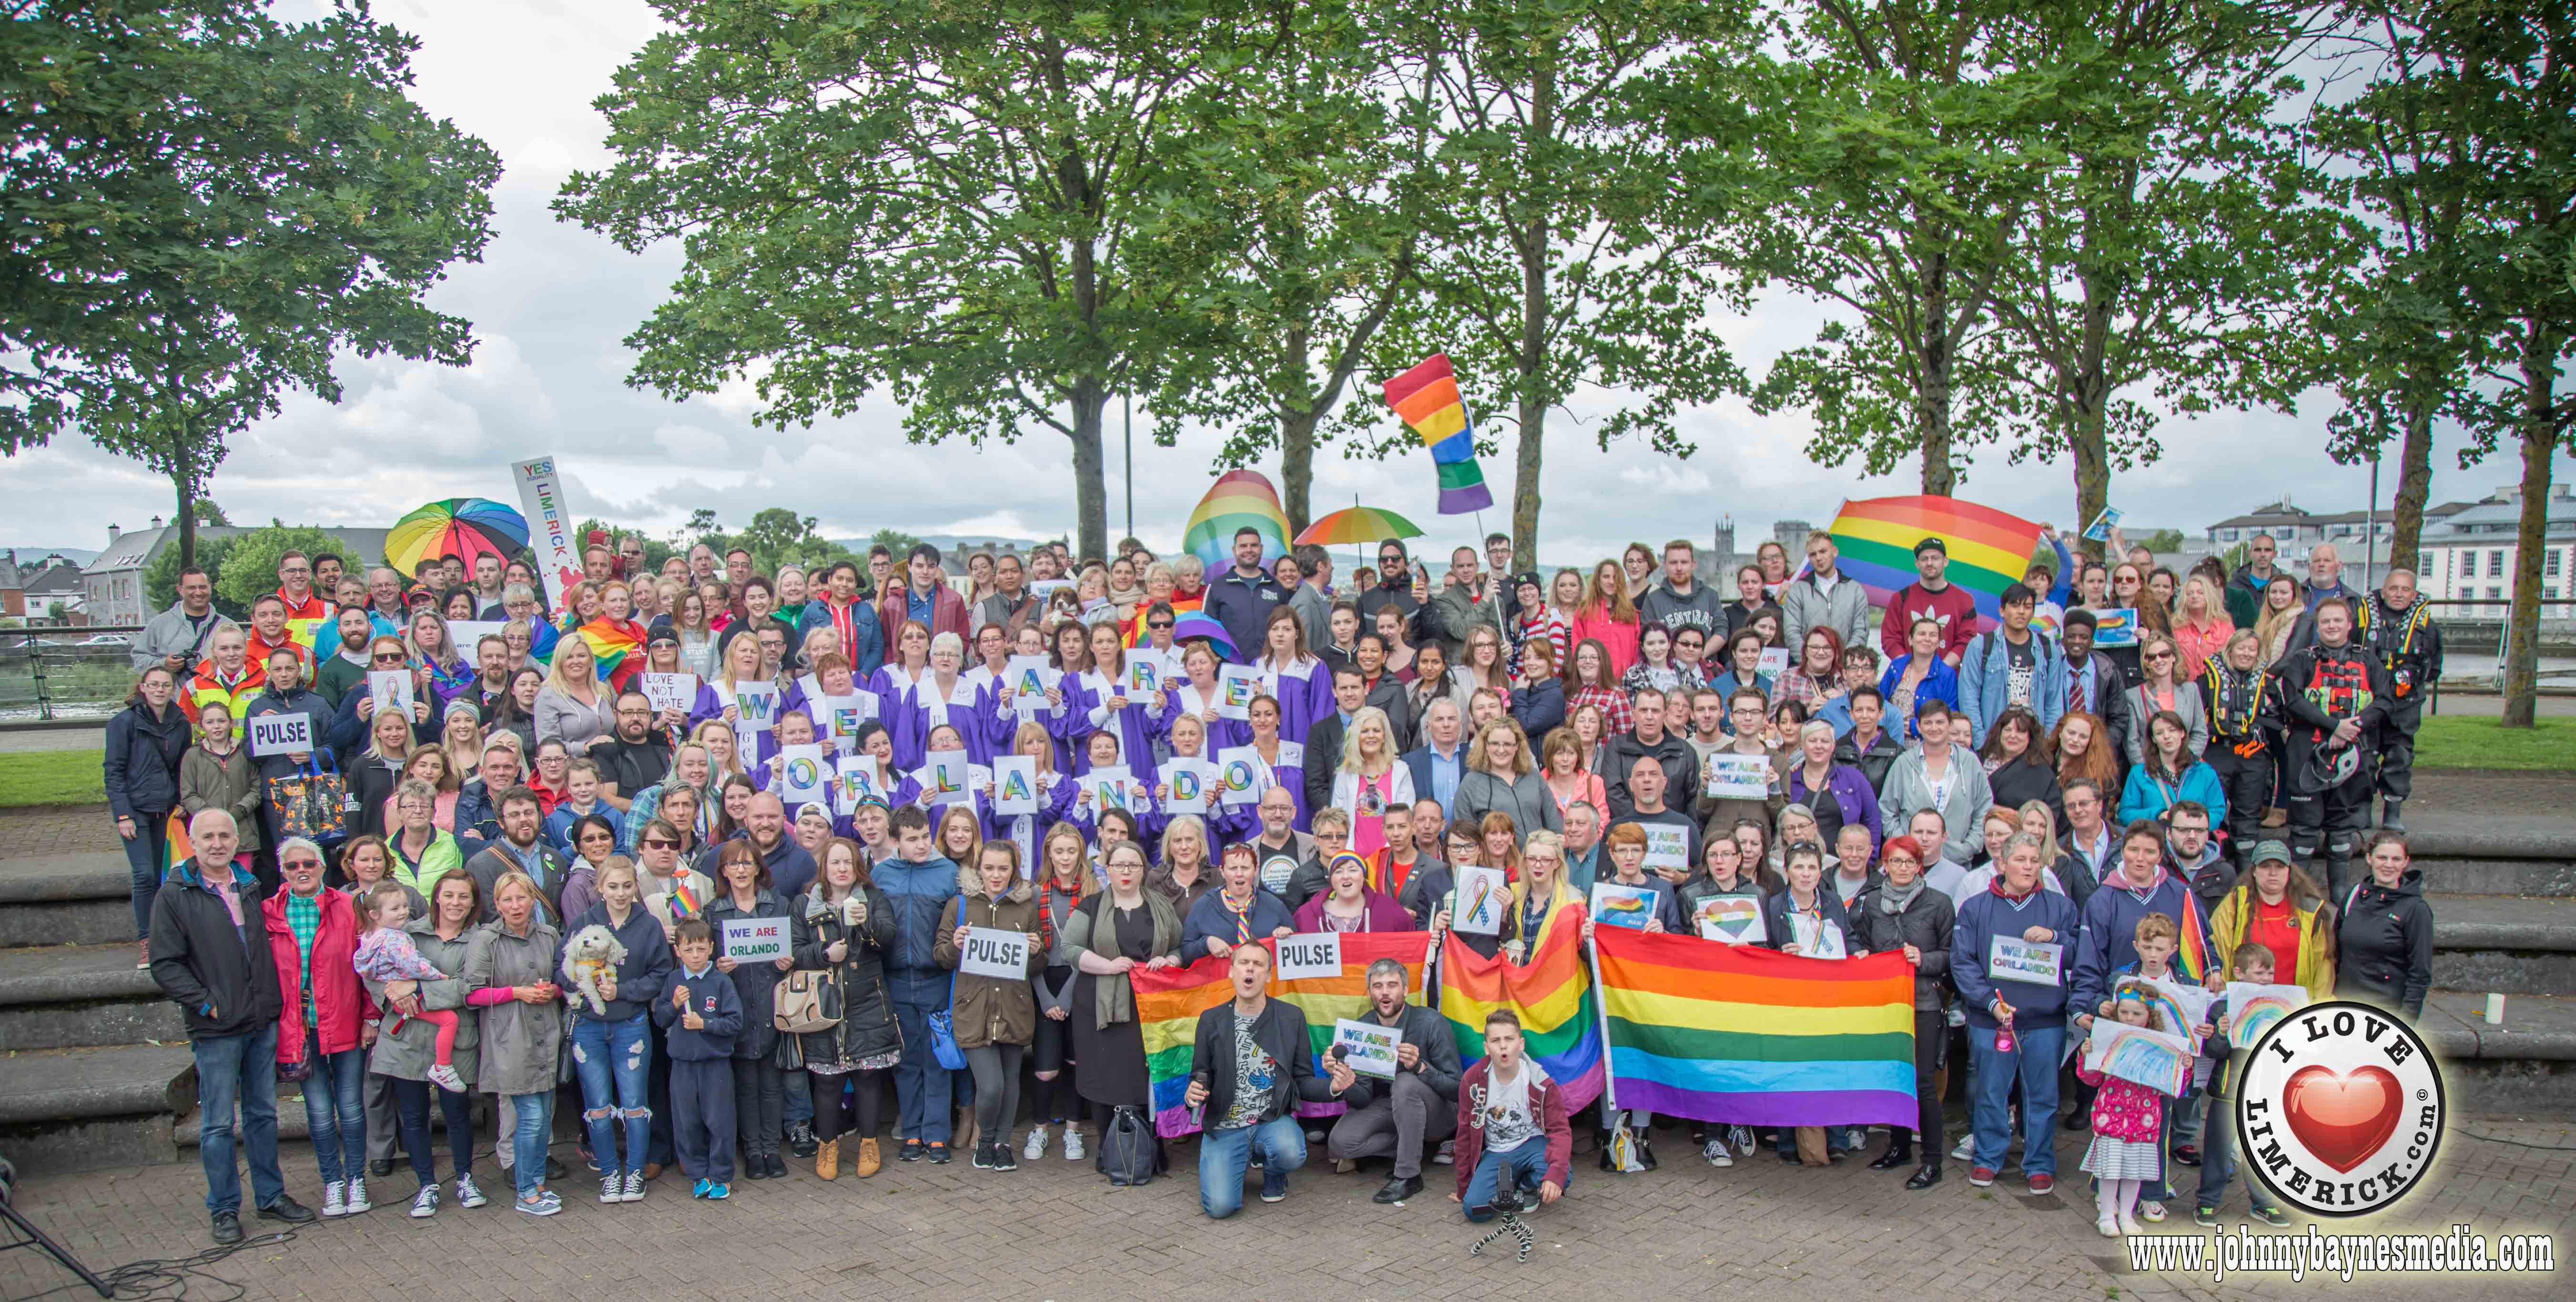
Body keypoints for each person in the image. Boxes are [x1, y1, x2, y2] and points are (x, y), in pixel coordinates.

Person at [150, 808, 319, 1243]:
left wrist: (271, 1002)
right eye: (208, 836)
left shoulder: (249, 884)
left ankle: (270, 1195)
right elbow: (166, 964)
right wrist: (207, 1005)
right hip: (216, 1027)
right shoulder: (175, 894)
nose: (218, 843)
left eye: (225, 835)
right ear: (193, 840)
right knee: (219, 1124)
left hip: (260, 1020)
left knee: (263, 1114)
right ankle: (224, 1208)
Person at [1185, 944, 1368, 1218]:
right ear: (1231, 972)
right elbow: (1200, 1075)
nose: (1250, 969)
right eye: (1244, 963)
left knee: (1290, 1152)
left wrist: (1334, 1087)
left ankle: (1274, 1172)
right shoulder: (1211, 1020)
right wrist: (1192, 1097)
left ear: (1268, 976)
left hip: (1270, 1120)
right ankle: (1239, 1157)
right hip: (1225, 1125)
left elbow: (1303, 1080)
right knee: (1220, 1209)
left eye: (1258, 965)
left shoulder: (1290, 1018)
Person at [1949, 831, 2079, 1192]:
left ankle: (2039, 1162)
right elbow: (1963, 963)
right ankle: (1989, 1157)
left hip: (2044, 1022)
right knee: (1991, 1093)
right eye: (2020, 859)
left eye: (2034, 860)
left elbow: (2080, 954)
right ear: (2002, 862)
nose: (2028, 866)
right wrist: (1991, 1004)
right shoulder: (1975, 908)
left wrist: (2055, 939)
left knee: (2042, 1096)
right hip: (1993, 1021)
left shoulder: (2060, 907)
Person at [1055, 840, 1182, 1177]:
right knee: (1104, 1079)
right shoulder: (1091, 906)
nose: (1126, 872)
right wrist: (1107, 965)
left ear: (1143, 870)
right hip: (1100, 1008)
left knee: (1145, 1076)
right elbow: (1069, 949)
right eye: (1119, 865)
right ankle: (1109, 1147)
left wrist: (1169, 958)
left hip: (1149, 1008)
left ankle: (1147, 1148)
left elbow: (1182, 946)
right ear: (1107, 870)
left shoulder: (1162, 906)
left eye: (1133, 865)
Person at [262, 840, 372, 1217]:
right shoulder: (269, 913)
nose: (301, 870)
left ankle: (356, 1177)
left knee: (352, 1106)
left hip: (344, 1018)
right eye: (293, 866)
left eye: (309, 863)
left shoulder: (347, 907)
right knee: (320, 1111)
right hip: (300, 1028)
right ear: (284, 871)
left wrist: (370, 1016)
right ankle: (332, 1181)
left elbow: (367, 966)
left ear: (323, 866)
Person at [1850, 835, 1954, 1189]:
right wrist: (1860, 954)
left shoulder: (1939, 903)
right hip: (1885, 1002)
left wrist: (1924, 959)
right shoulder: (1872, 903)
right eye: (1897, 861)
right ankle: (1899, 1146)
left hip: (1923, 1002)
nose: (1904, 868)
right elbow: (1857, 939)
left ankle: (1933, 1160)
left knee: (1923, 1083)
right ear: (1885, 865)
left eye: (1911, 862)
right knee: (1894, 1077)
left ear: (1920, 866)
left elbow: (1952, 954)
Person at [792, 837, 900, 1179]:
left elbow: (888, 938)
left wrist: (865, 922)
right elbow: (794, 952)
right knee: (826, 1082)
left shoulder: (873, 898)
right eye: (835, 862)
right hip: (822, 1007)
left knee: (868, 1077)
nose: (841, 868)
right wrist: (825, 953)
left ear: (858, 867)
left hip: (867, 1002)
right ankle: (828, 1146)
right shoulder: (803, 904)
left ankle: (870, 1144)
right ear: (824, 867)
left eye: (847, 862)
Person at [934, 841, 1045, 1171]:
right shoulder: (960, 905)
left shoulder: (1025, 908)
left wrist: (1037, 951)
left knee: (1011, 1082)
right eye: (990, 868)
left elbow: (1036, 966)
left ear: (1013, 870)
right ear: (978, 869)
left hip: (1014, 1007)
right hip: (974, 1009)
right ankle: (985, 1139)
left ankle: (1003, 1143)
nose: (996, 875)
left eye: (1003, 868)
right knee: (992, 1084)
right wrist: (954, 945)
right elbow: (940, 955)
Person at [1321, 956, 1461, 1204]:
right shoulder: (1363, 1028)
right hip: (1390, 1106)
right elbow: (1363, 1098)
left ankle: (1409, 1175)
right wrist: (1346, 1082)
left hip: (1437, 1113)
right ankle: (1412, 1147)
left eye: (1392, 985)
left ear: (1406, 990)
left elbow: (1457, 1090)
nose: (1385, 992)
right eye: (1378, 986)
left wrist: (1420, 1067)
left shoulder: (1431, 1022)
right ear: (1370, 992)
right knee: (1340, 1143)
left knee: (1405, 1082)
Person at [2274, 598, 2388, 895]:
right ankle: (2300, 897)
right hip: (2307, 756)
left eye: (2338, 621)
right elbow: (2293, 700)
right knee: (2304, 834)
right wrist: (2332, 726)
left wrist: (2352, 727)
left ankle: (2339, 897)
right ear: (2317, 626)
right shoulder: (2302, 660)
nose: (2332, 626)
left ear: (2350, 625)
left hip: (2353, 753)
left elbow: (2385, 701)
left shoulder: (2369, 661)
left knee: (2341, 833)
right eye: (2326, 621)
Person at [870, 805, 963, 1161]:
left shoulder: (948, 872)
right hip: (895, 979)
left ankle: (937, 1132)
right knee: (906, 1060)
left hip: (935, 977)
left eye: (925, 836)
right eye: (912, 839)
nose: (922, 844)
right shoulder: (881, 874)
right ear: (895, 841)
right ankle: (912, 1132)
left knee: (938, 1057)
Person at [2191, 943, 2294, 1228]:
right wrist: (2222, 1032)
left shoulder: (2280, 1003)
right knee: (2218, 1149)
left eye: (2270, 973)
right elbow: (2213, 1051)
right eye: (2260, 973)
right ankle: (2207, 1202)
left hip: (2264, 1090)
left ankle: (2264, 1204)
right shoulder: (2222, 1006)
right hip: (2229, 1090)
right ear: (2238, 972)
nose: (2266, 979)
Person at [107, 666, 193, 966]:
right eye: (154, 685)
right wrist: (123, 814)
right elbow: (114, 771)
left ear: (173, 689)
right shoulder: (124, 722)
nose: (160, 690)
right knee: (144, 875)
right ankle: (147, 940)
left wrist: (182, 800)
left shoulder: (180, 723)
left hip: (166, 810)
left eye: (165, 685)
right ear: (143, 688)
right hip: (135, 810)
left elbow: (183, 765)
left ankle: (167, 936)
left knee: (165, 875)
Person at [1451, 1008, 1570, 1221]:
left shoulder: (1541, 1082)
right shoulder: (1472, 1081)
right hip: (1497, 1151)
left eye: (1509, 1039)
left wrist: (1556, 1174)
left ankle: (1525, 1185)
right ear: (1487, 1048)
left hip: (1532, 1143)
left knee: (1562, 1176)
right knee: (1475, 1210)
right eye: (1496, 1040)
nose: (1503, 1046)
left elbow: (1560, 1131)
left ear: (1521, 1044)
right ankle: (1509, 1186)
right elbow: (1464, 1135)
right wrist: (1463, 1188)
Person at [2077, 984, 2176, 1236]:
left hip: (2144, 1120)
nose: (2129, 1018)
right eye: (2124, 1012)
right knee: (2110, 1171)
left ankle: (2127, 1217)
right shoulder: (2107, 1039)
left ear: (2150, 1016)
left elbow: (2170, 1088)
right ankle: (2107, 1215)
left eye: (2137, 1014)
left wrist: (2181, 1067)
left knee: (2135, 1172)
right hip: (2111, 1116)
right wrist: (2086, 1056)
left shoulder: (2159, 1045)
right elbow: (2091, 1079)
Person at [658, 917, 744, 1199]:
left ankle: (721, 1175)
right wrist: (674, 1005)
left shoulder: (721, 982)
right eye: (688, 950)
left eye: (700, 949)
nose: (695, 956)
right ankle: (698, 1174)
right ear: (678, 952)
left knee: (719, 1121)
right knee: (687, 1122)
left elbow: (734, 1023)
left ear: (710, 949)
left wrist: (704, 1024)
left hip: (715, 1065)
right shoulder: (673, 980)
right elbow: (660, 1019)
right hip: (682, 1065)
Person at [2352, 569, 2439, 831]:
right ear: (2384, 590)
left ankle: (2393, 811)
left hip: (2405, 702)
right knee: (2364, 755)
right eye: (2394, 589)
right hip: (2369, 699)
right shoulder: (2361, 621)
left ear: (2414, 594)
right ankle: (2361, 810)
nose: (2399, 594)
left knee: (2399, 755)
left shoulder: (2427, 627)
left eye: (2405, 590)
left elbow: (2434, 666)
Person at [2334, 830, 2432, 1019]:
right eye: (2382, 858)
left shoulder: (2416, 909)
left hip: (2386, 1012)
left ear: (2406, 862)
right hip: (2344, 1006)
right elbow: (2337, 951)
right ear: (2369, 859)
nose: (2389, 865)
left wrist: (2407, 1023)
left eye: (2396, 859)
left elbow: (2420, 974)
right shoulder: (2353, 895)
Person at [1779, 532, 1870, 650]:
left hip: (1844, 665)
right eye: (1813, 554)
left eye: (1823, 551)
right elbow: (1792, 634)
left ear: (1835, 552)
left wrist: (1846, 663)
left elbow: (1861, 632)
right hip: (1809, 666)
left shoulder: (1855, 590)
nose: (1818, 558)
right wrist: (1809, 662)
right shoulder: (1798, 591)